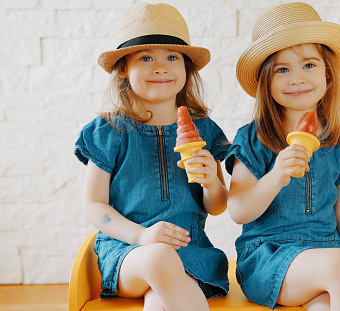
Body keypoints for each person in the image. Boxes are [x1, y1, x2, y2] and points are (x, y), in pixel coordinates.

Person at [225, 2, 340, 310]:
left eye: (308, 65)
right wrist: (275, 176)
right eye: (282, 69)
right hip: (266, 259)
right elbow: (238, 211)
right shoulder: (253, 138)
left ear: (328, 76)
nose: (296, 78)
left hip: (328, 260)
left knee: (328, 299)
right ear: (266, 84)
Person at [74, 3, 229, 310]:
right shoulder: (108, 131)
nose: (161, 67)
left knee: (159, 299)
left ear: (186, 67)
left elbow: (218, 205)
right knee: (158, 257)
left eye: (172, 57)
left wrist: (212, 183)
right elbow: (93, 206)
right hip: (128, 252)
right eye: (146, 58)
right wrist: (142, 235)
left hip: (191, 253)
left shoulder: (205, 131)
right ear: (122, 68)